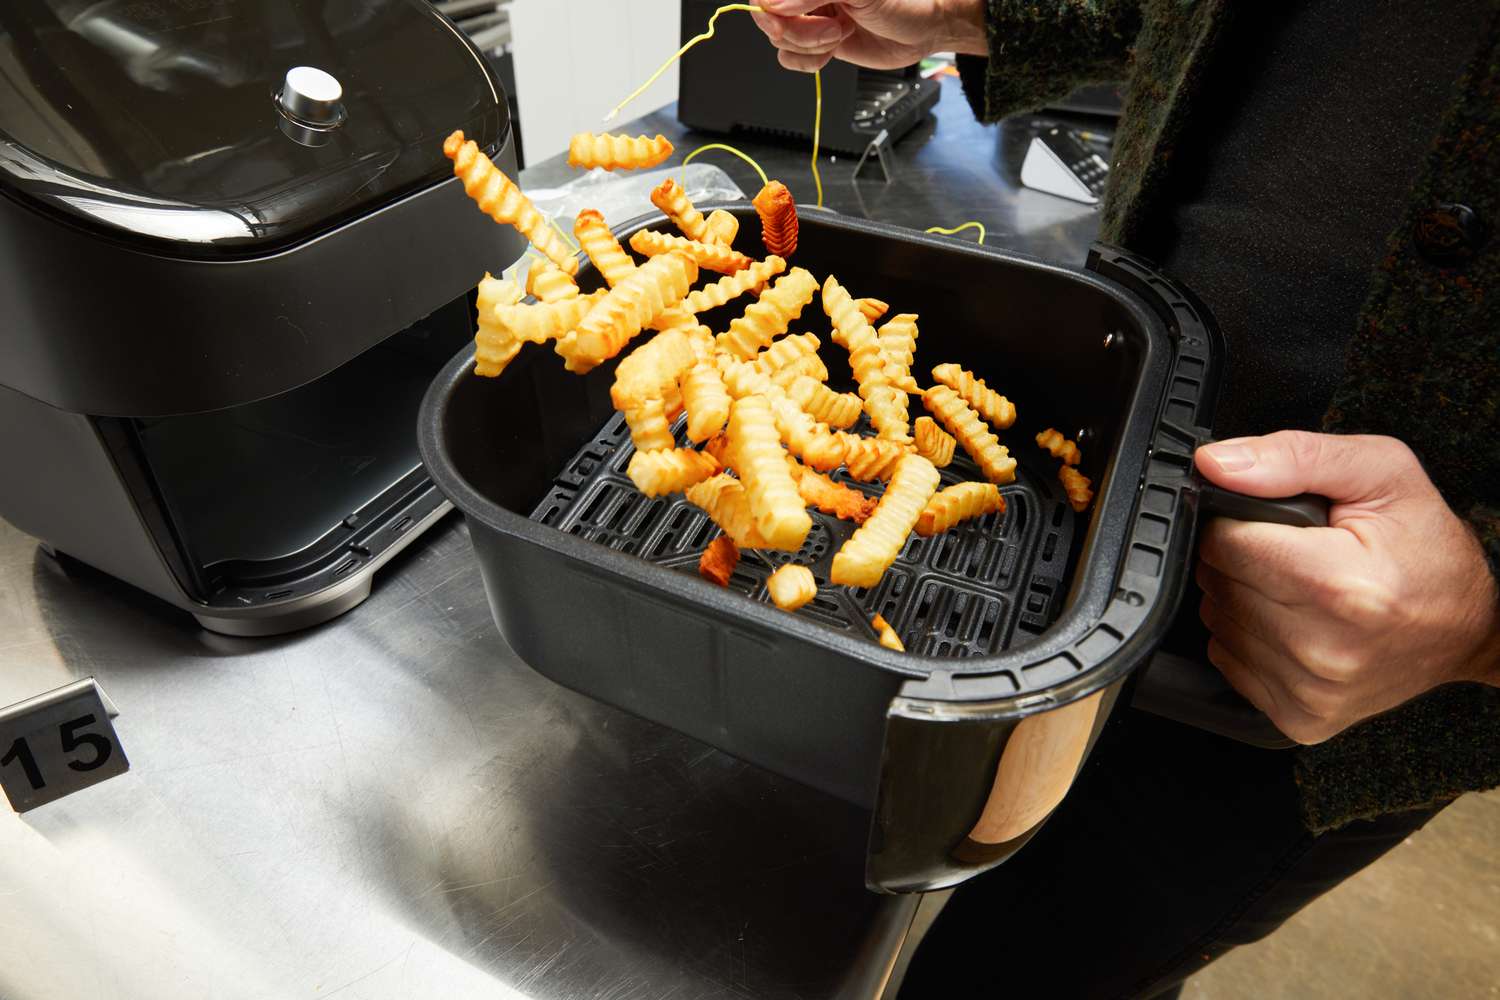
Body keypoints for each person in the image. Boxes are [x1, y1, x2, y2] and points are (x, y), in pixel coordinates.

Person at [753, 2, 1500, 996]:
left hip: (1330, 667)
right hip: (1095, 467)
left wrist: (1483, 618)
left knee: (1017, 962)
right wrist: (976, 12)